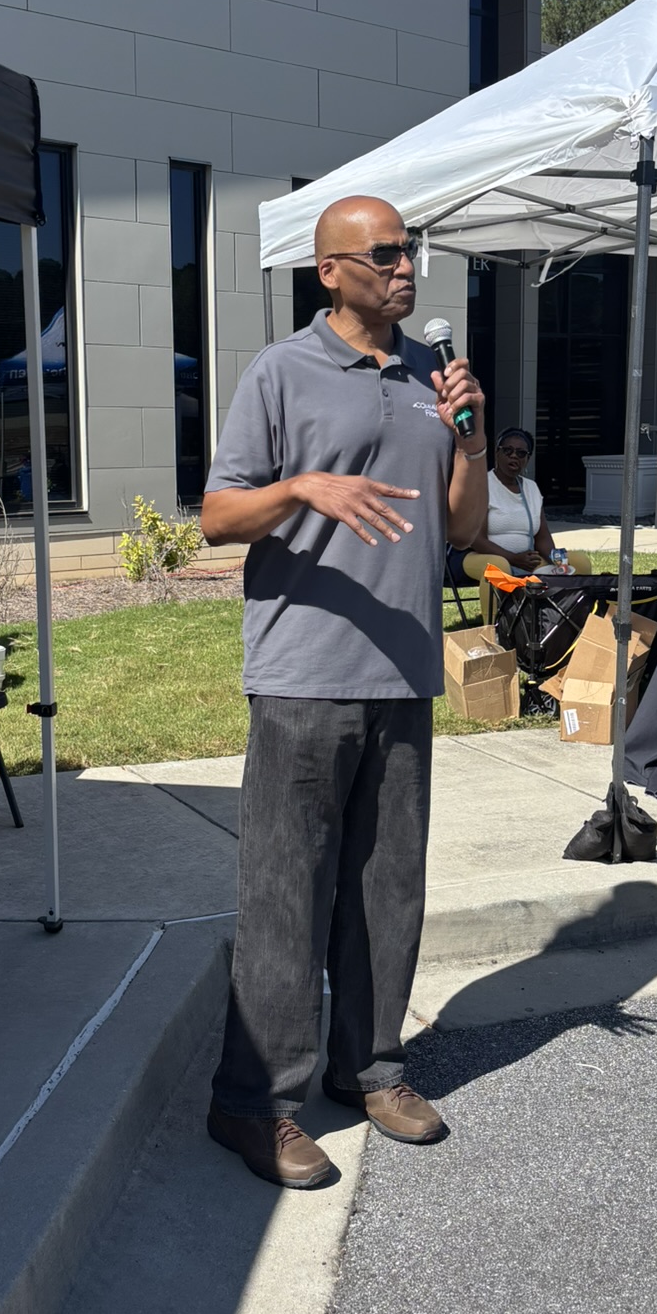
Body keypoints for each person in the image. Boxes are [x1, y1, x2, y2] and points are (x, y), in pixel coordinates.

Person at [199, 195, 487, 1189]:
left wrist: (469, 440)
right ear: (330, 270)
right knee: (286, 894)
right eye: (386, 254)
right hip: (304, 673)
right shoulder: (281, 372)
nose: (406, 270)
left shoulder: (427, 377)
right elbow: (217, 515)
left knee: (386, 888)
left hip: (402, 673)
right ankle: (253, 1102)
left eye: (411, 253)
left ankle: (370, 1068)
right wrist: (302, 489)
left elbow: (461, 528)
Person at [458, 425, 562, 620]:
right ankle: (493, 628)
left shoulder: (531, 488)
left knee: (579, 563)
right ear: (497, 453)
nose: (514, 456)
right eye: (508, 451)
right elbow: (476, 540)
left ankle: (557, 623)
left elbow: (543, 538)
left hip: (524, 560)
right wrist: (513, 558)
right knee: (498, 567)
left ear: (527, 459)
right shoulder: (482, 484)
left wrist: (559, 562)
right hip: (476, 556)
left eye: (521, 453)